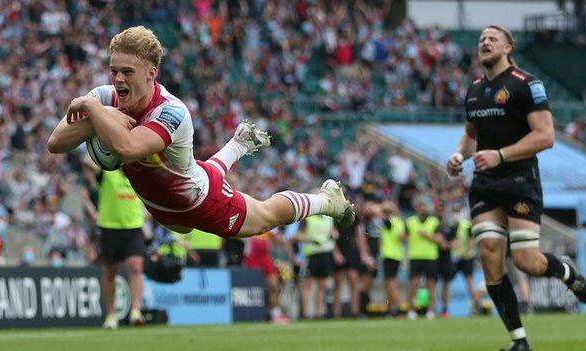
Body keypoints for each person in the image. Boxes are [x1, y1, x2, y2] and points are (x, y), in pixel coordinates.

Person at [46, 26, 355, 240]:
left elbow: (126, 148)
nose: (117, 79)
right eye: (114, 70)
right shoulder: (106, 98)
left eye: (127, 72)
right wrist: (98, 115)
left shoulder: (170, 112)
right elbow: (56, 142)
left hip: (201, 202)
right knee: (187, 198)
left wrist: (90, 108)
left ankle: (326, 201)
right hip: (165, 206)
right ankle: (239, 143)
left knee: (266, 216)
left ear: (151, 73)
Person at [446, 25, 586, 351]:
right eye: (482, 38)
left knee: (527, 261)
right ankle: (519, 341)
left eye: (492, 38)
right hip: (484, 187)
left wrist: (499, 155)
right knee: (490, 257)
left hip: (520, 183)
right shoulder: (475, 90)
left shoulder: (528, 85)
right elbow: (471, 134)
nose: (484, 41)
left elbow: (545, 136)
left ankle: (568, 274)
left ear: (508, 47)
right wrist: (458, 155)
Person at [82, 156, 146, 329]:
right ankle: (111, 315)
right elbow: (87, 161)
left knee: (136, 266)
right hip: (110, 228)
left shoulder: (139, 177)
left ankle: (135, 311)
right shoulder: (107, 173)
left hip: (134, 227)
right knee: (111, 272)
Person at [406, 195, 443, 320]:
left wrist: (427, 236)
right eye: (420, 206)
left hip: (430, 257)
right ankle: (411, 310)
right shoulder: (410, 221)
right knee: (413, 284)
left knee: (431, 284)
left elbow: (439, 240)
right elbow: (403, 237)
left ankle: (431, 311)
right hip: (415, 256)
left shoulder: (435, 221)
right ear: (416, 207)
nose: (422, 208)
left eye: (424, 206)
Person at [296, 214, 337, 319]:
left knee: (322, 285)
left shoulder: (329, 218)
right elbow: (298, 235)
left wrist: (333, 235)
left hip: (325, 254)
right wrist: (312, 239)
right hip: (311, 255)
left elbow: (335, 233)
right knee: (307, 284)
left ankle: (318, 313)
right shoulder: (308, 218)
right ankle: (305, 313)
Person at [379, 200, 406, 316]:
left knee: (390, 282)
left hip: (390, 254)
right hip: (394, 254)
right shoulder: (398, 222)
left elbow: (401, 237)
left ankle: (399, 306)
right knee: (388, 282)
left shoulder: (391, 221)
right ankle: (390, 308)